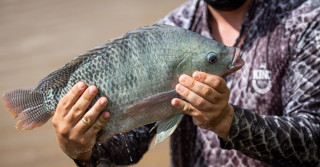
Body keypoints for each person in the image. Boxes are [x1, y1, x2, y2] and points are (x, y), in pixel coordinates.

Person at [52, 0, 320, 166]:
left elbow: (313, 141)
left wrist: (229, 122)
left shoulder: (306, 19)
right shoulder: (171, 29)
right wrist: (81, 149)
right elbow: (129, 146)